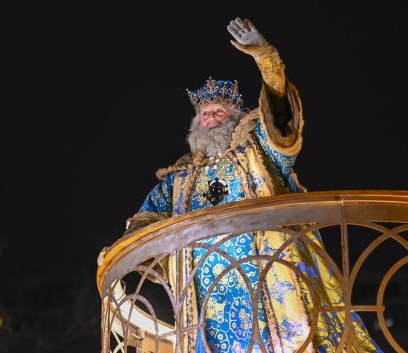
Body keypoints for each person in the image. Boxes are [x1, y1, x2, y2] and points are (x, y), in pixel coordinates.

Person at [119, 18, 382, 353]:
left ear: (235, 116)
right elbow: (145, 222)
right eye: (204, 113)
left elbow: (281, 125)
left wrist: (267, 61)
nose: (210, 117)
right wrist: (123, 251)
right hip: (207, 296)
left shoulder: (257, 151)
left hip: (270, 279)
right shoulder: (178, 181)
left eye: (218, 111)